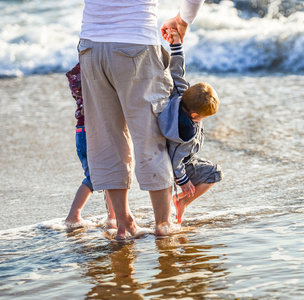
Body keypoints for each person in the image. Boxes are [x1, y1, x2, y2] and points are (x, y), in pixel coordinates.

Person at [78, 0, 205, 239]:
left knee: (107, 139)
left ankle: (123, 221)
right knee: (151, 137)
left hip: (90, 46)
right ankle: (163, 224)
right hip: (136, 43)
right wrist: (183, 20)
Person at [159, 29, 223, 224]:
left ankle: (179, 200)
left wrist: (176, 44)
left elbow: (177, 69)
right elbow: (176, 160)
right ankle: (182, 201)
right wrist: (184, 181)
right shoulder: (187, 133)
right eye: (203, 117)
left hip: (174, 158)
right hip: (180, 165)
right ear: (194, 115)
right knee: (215, 173)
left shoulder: (180, 93)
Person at [65, 63, 116, 229]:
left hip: (81, 132)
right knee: (94, 178)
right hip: (92, 132)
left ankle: (112, 216)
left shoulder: (76, 76)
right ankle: (73, 216)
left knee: (106, 175)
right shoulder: (92, 75)